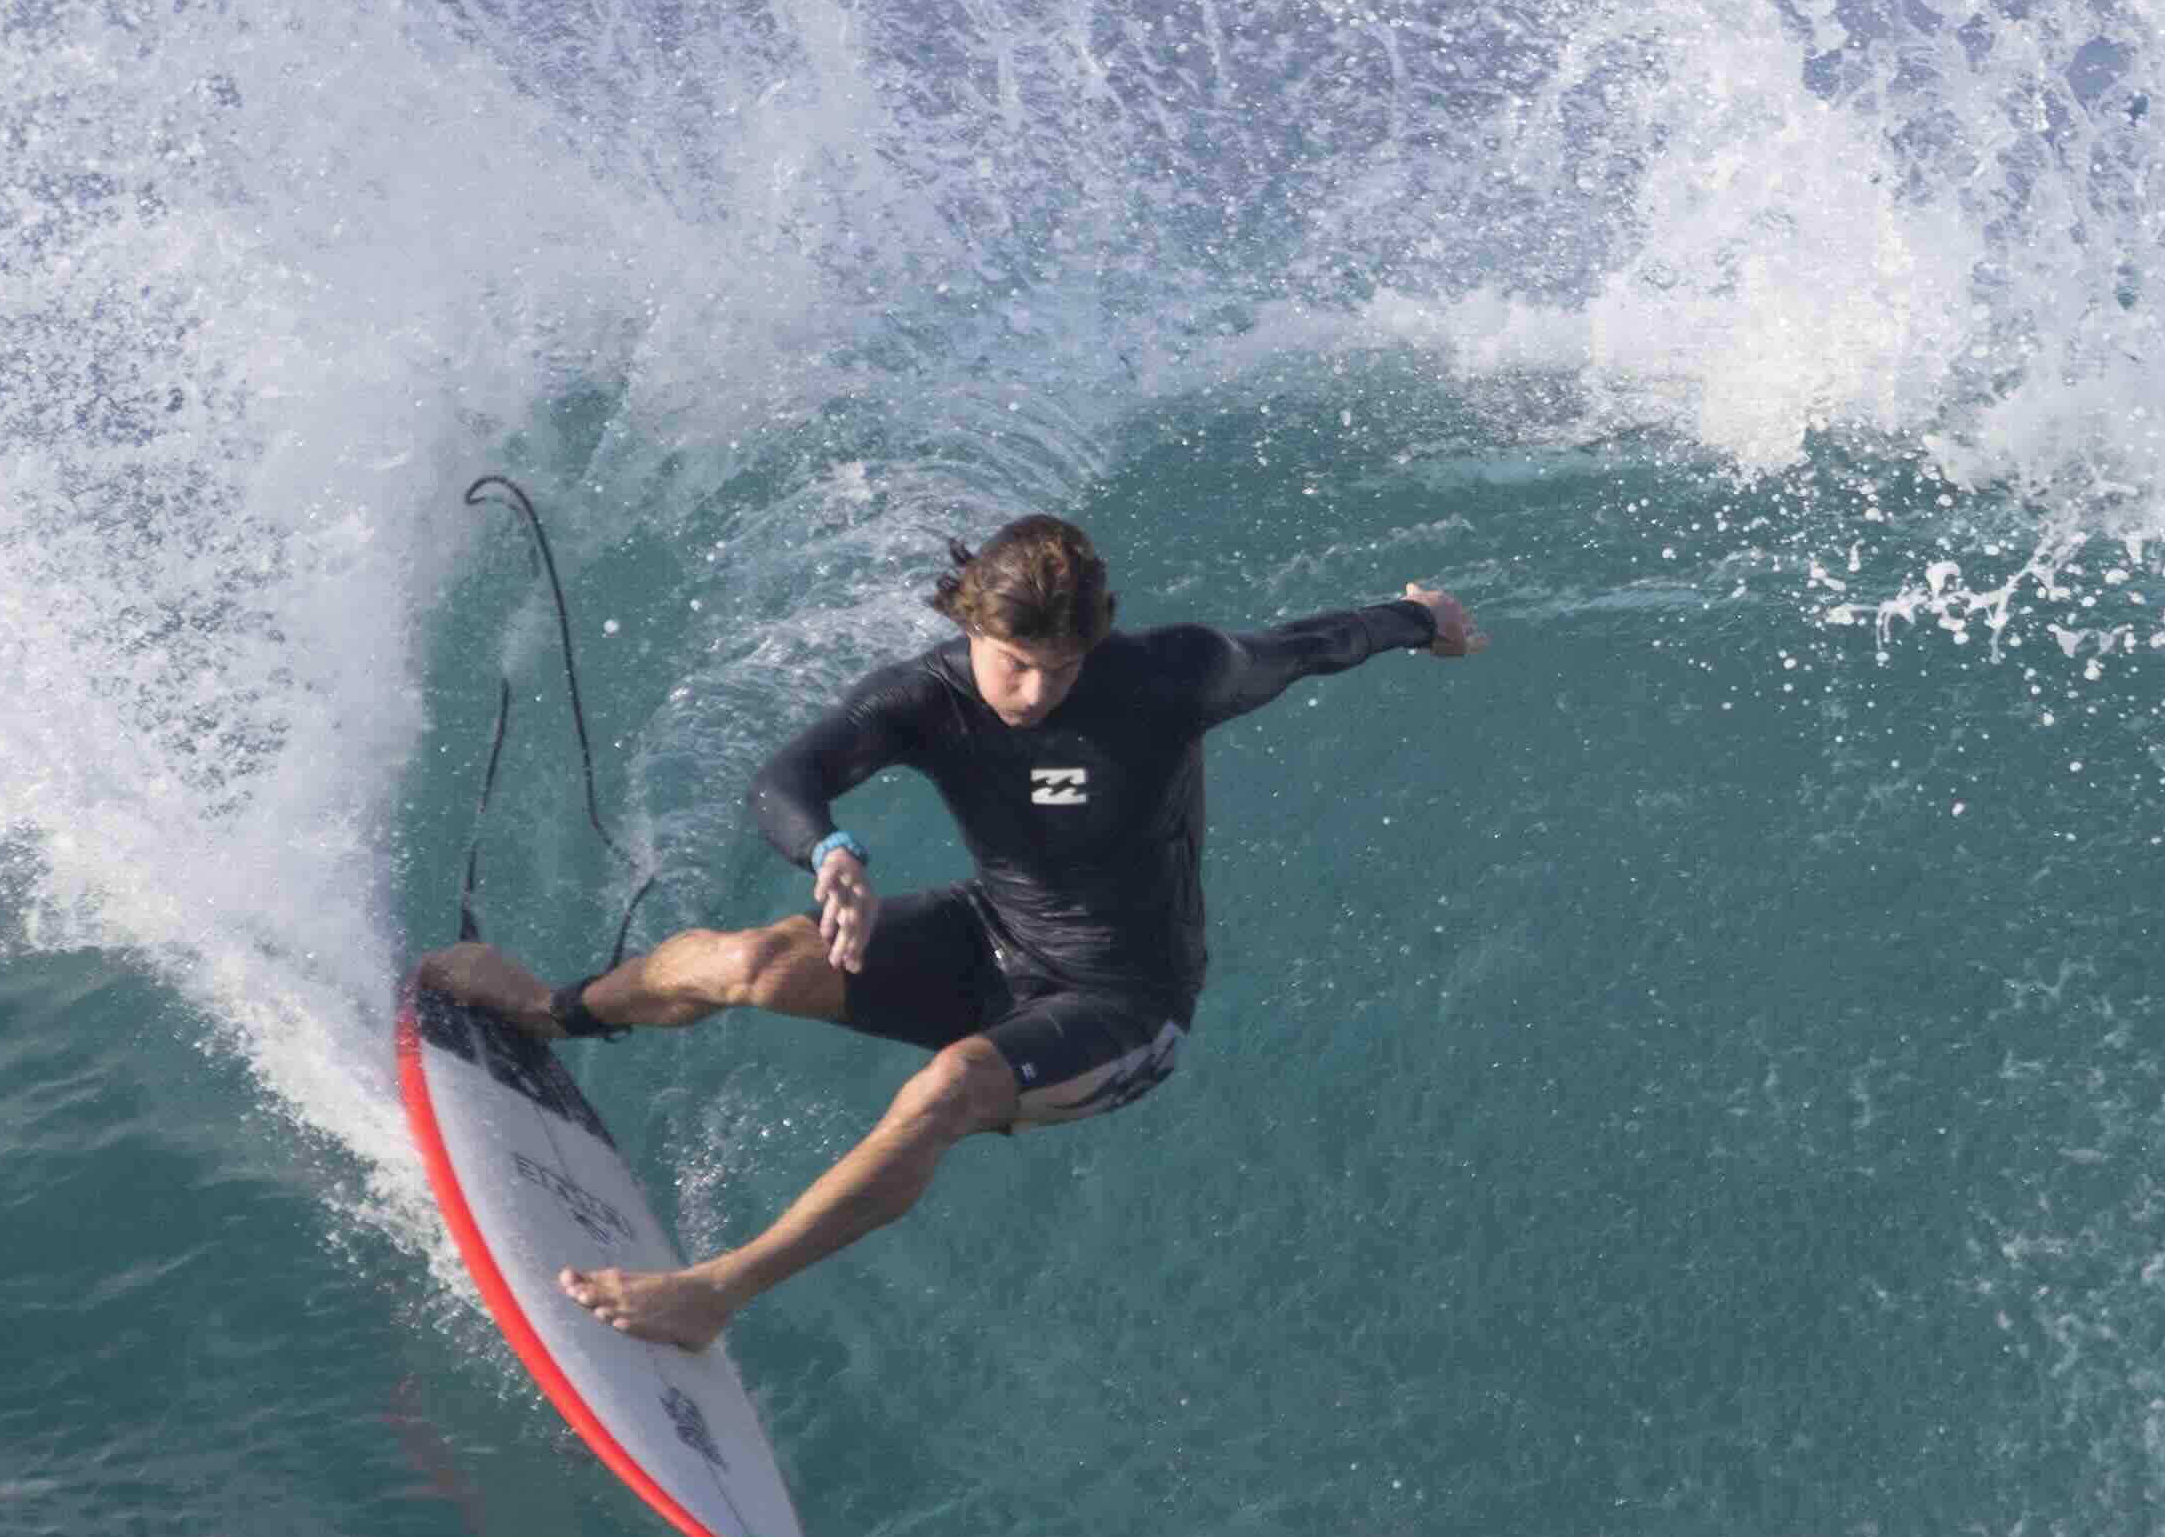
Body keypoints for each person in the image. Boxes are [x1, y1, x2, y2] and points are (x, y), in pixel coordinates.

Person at [420, 512, 1480, 1351]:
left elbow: (1306, 646)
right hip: (989, 936)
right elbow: (787, 778)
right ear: (969, 623)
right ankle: (551, 1013)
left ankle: (712, 1293)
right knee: (746, 960)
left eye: (1058, 669)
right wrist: (830, 853)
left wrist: (1418, 618)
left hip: (1124, 1007)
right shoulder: (926, 696)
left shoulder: (1164, 678)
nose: (1032, 690)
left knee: (941, 1093)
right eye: (1011, 661)